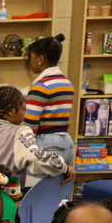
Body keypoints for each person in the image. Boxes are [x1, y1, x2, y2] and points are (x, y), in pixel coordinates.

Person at [0, 86, 75, 188]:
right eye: (23, 109)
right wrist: (64, 168)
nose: (24, 115)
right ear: (11, 111)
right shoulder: (19, 132)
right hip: (4, 206)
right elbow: (36, 159)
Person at [24, 34, 75, 171]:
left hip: (47, 145)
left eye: (31, 58)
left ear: (40, 59)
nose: (30, 62)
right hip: (67, 144)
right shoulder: (66, 83)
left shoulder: (41, 86)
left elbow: (30, 126)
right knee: (58, 191)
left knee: (37, 191)